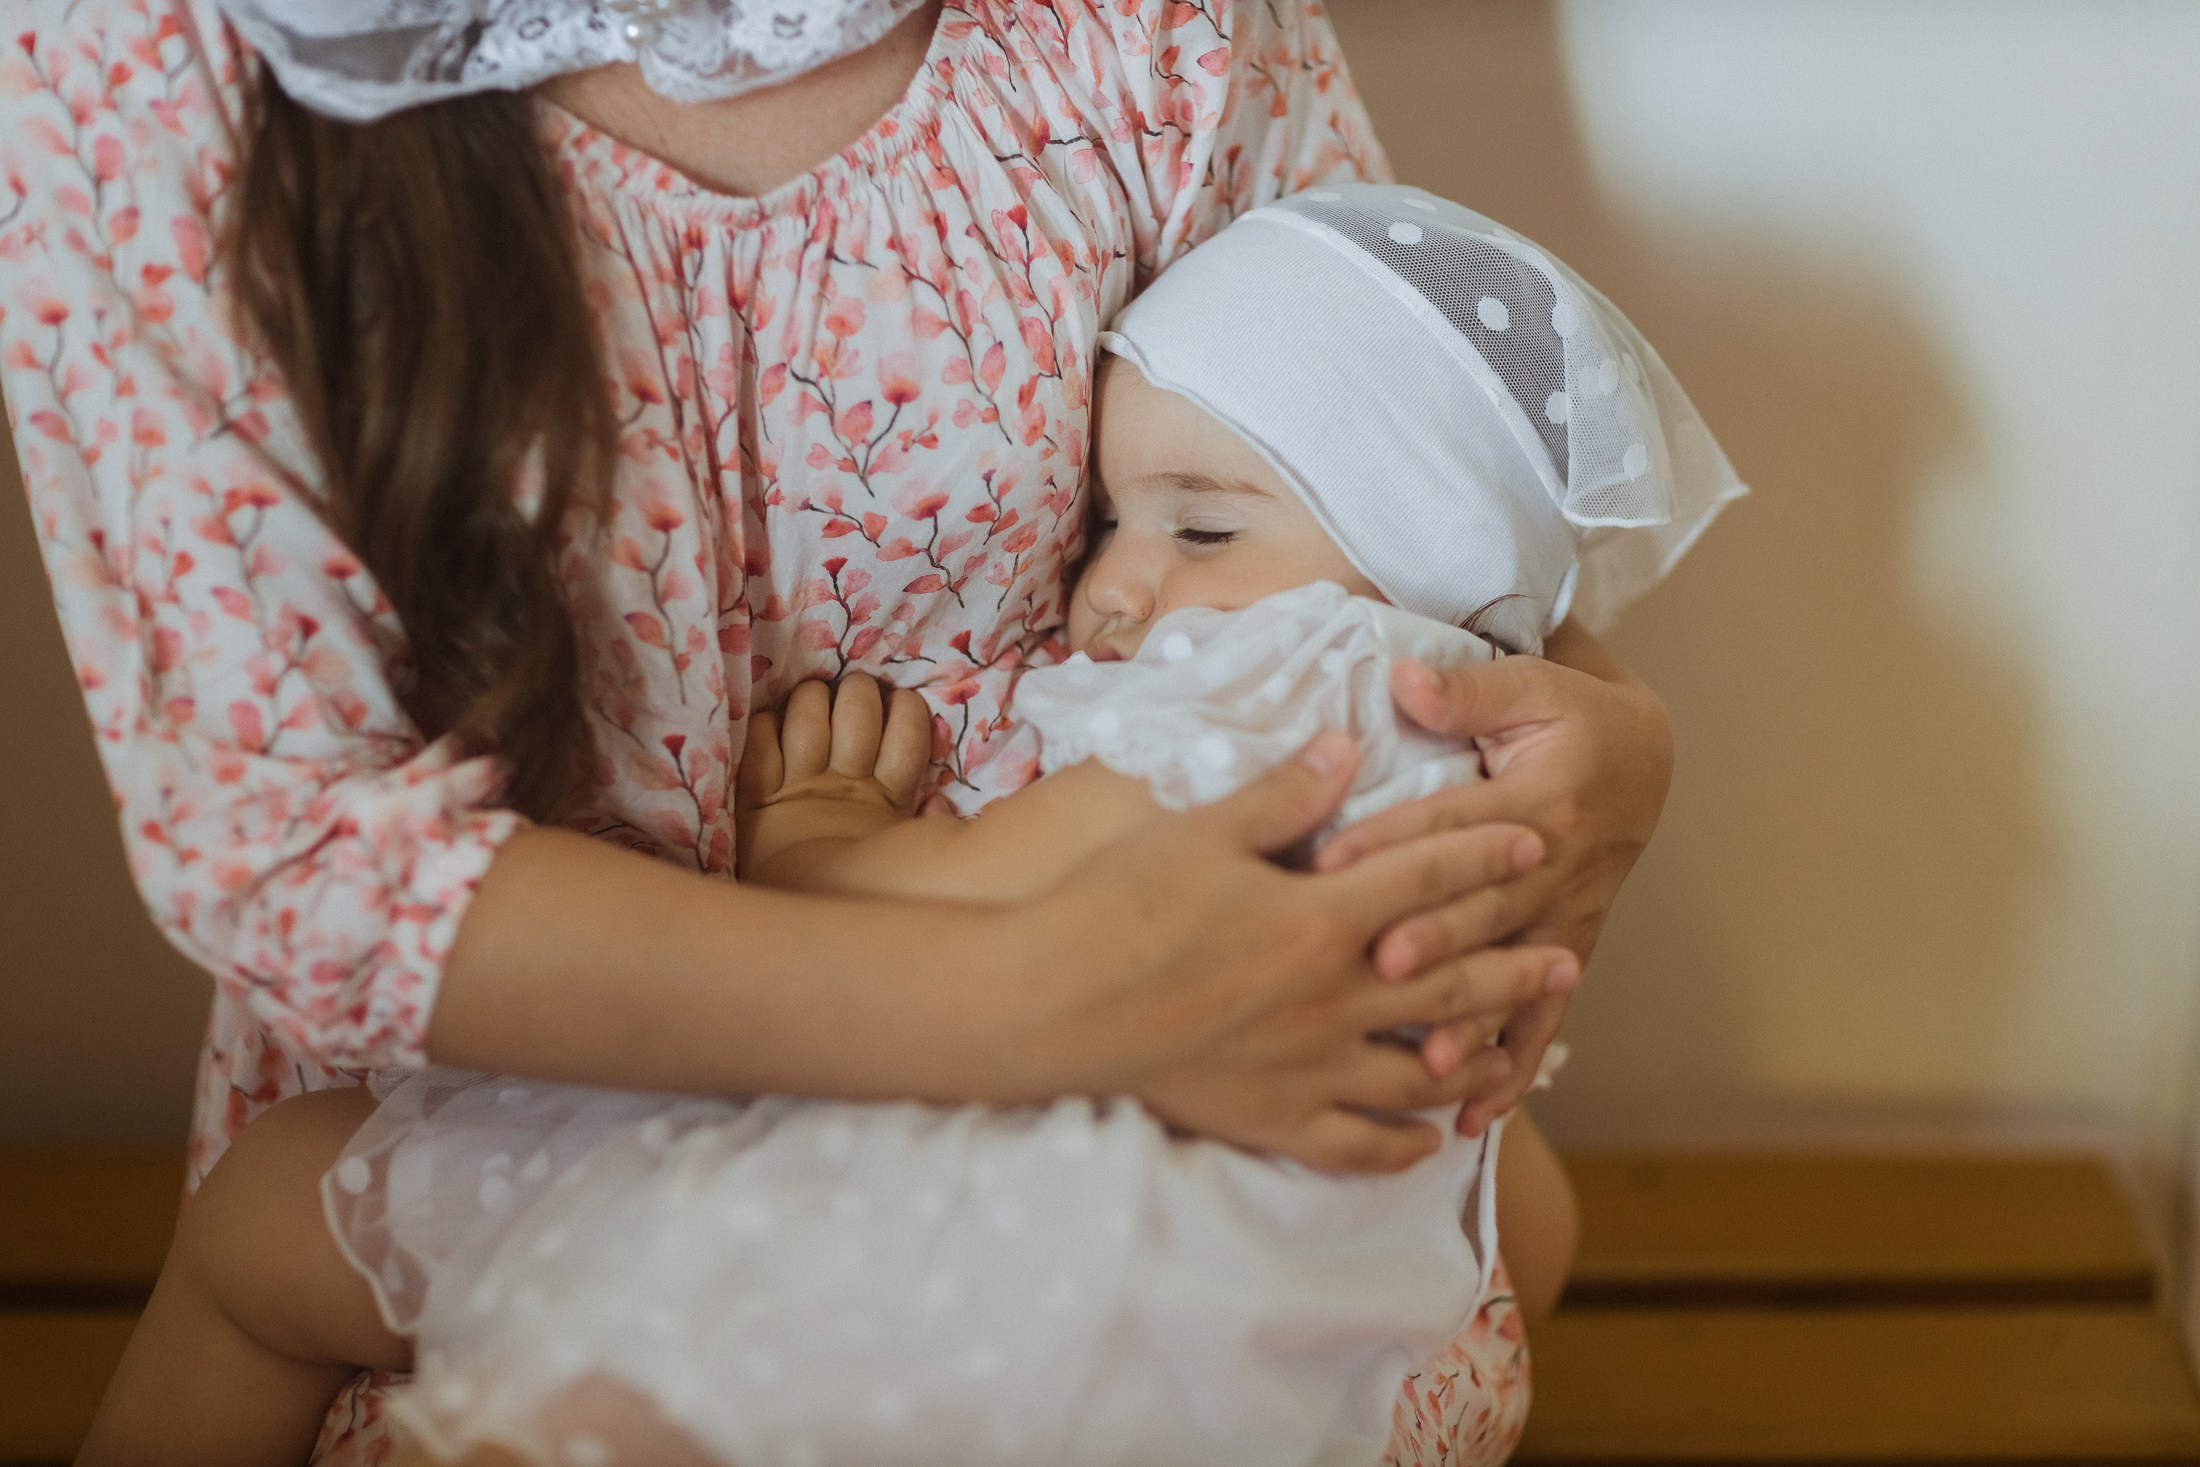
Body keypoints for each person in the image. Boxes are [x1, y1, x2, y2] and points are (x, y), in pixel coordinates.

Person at [4, 1, 1678, 1460]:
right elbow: (301, 856)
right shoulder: (163, 63)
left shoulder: (1155, 51)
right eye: (1119, 522)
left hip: (960, 1205)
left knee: (274, 1236)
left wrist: (1612, 729)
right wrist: (1062, 1003)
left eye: (1179, 532)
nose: (1109, 589)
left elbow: (1382, 430)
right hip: (685, 1064)